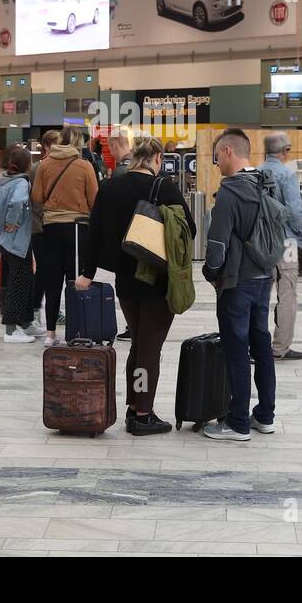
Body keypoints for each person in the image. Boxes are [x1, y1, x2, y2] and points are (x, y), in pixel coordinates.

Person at [78, 136, 193, 435]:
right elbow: (189, 228)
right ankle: (143, 414)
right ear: (157, 158)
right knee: (149, 348)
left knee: (140, 344)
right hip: (156, 279)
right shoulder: (163, 187)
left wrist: (87, 273)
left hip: (126, 281)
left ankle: (133, 406)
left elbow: (94, 232)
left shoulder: (111, 186)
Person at [200, 128, 277, 441]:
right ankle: (265, 415)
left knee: (237, 349)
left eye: (217, 154)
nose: (216, 161)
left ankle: (237, 422)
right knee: (262, 344)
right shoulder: (266, 183)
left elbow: (217, 244)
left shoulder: (230, 191)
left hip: (237, 281)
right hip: (263, 276)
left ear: (229, 151)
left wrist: (210, 272)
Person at [30, 127, 99, 346]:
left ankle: (50, 334)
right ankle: (75, 330)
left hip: (50, 228)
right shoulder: (84, 166)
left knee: (52, 280)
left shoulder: (45, 164)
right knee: (74, 281)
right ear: (78, 143)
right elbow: (95, 200)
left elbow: (37, 197)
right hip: (78, 229)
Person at [258, 132, 302, 361]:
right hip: (285, 240)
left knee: (259, 294)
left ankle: (257, 345)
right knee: (287, 293)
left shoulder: (255, 172)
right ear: (285, 150)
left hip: (260, 242)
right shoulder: (287, 174)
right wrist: (301, 236)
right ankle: (280, 347)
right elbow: (295, 211)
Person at [0, 146, 39, 343]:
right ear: (28, 165)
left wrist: (0, 214)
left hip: (6, 242)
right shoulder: (21, 183)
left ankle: (26, 322)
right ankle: (10, 330)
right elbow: (17, 202)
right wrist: (12, 221)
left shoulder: (3, 180)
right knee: (18, 284)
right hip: (17, 241)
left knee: (26, 280)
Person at [28, 129, 62, 333]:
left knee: (52, 271)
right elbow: (36, 200)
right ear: (47, 146)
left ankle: (50, 310)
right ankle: (34, 311)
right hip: (39, 227)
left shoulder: (56, 167)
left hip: (51, 226)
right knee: (43, 270)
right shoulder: (36, 168)